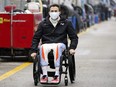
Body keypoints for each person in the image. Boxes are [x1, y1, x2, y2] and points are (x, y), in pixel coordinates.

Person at [30, 4, 78, 83]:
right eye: (52, 11)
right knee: (42, 47)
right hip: (47, 44)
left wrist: (72, 48)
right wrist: (33, 51)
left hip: (60, 44)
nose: (54, 12)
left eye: (56, 11)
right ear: (49, 12)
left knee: (57, 47)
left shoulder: (66, 23)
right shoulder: (43, 24)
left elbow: (74, 37)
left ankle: (56, 74)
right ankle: (44, 75)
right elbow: (36, 38)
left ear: (59, 12)